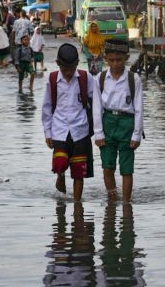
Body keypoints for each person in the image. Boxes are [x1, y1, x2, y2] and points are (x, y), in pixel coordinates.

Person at [41, 43, 102, 203]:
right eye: (65, 69)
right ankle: (60, 176)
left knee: (78, 171)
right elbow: (47, 107)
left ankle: (77, 205)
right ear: (58, 64)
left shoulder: (85, 78)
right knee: (60, 163)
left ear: (77, 64)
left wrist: (98, 130)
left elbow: (96, 103)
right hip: (59, 130)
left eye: (71, 68)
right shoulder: (53, 80)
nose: (68, 73)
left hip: (80, 130)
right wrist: (48, 132)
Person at [94, 39, 143, 203]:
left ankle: (126, 204)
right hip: (107, 122)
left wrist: (137, 134)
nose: (115, 64)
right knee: (107, 167)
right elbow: (97, 108)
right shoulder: (99, 79)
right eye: (112, 60)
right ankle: (113, 198)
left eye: (119, 60)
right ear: (105, 58)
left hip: (127, 124)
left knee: (127, 169)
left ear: (126, 58)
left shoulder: (133, 79)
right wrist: (98, 132)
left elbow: (139, 108)